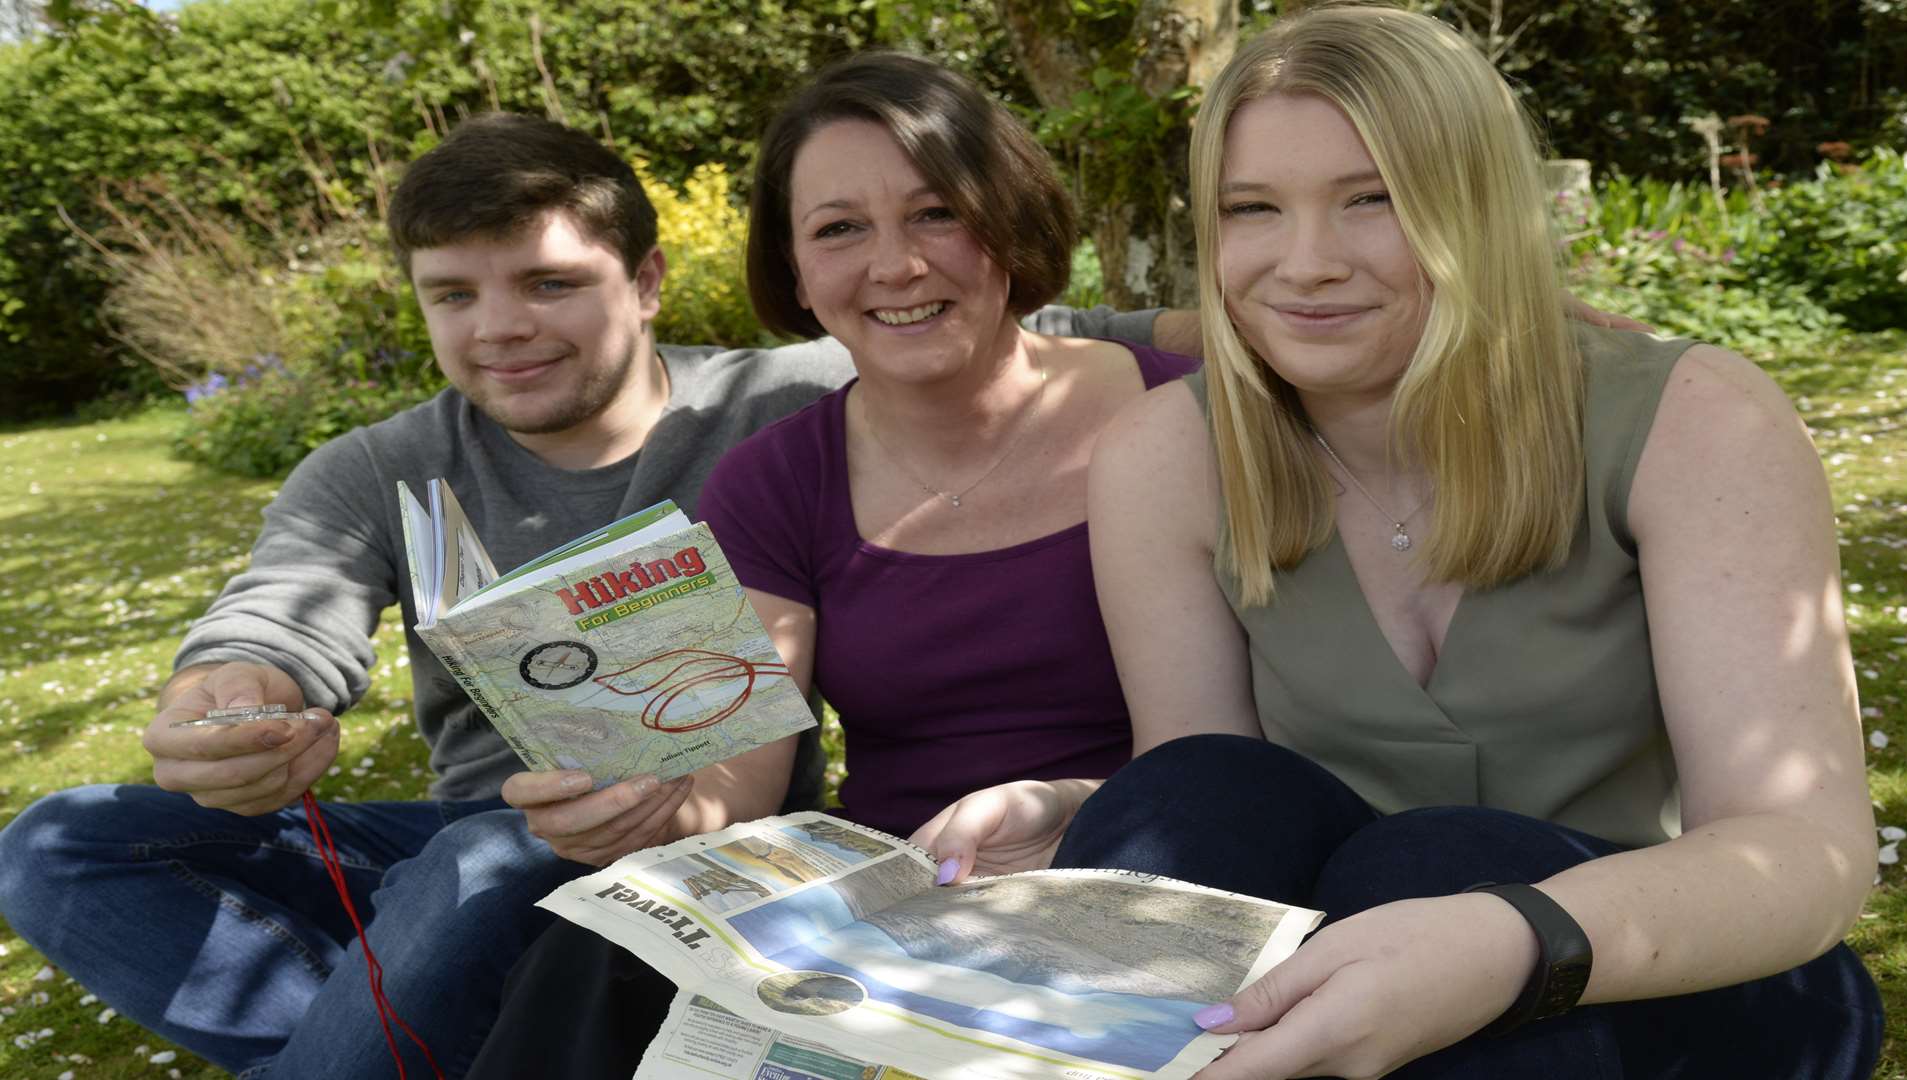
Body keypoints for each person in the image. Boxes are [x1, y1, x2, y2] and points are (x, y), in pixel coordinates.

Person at [0, 113, 1168, 1079]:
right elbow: (275, 611)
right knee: (57, 844)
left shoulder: (790, 398)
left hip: (699, 833)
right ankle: (430, 1035)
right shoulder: (372, 467)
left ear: (648, 281)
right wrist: (233, 695)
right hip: (475, 832)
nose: (499, 328)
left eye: (548, 283)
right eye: (451, 295)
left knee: (486, 867)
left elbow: (1037, 331)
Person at [915, 7, 1884, 1078]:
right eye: (1254, 209)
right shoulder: (1166, 453)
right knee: (1195, 789)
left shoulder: (1698, 423)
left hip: (1656, 966)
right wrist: (1077, 810)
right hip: (1341, 961)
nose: (1307, 263)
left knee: (1435, 862)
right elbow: (1208, 796)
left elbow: (1805, 854)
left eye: (1372, 200)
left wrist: (1508, 939)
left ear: (1474, 208)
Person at [463, 51, 1201, 1078]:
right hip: (897, 899)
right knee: (582, 963)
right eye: (839, 229)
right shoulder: (773, 478)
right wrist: (642, 808)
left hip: (1167, 869)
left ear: (1012, 220)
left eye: (937, 212)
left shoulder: (1192, 413)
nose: (895, 266)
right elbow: (740, 777)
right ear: (798, 274)